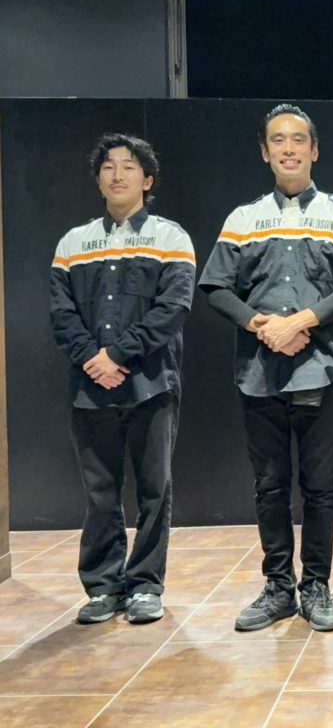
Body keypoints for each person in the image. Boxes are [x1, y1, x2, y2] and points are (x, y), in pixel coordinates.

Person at [199, 104, 333, 633]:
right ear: (265, 152)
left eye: (298, 139)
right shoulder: (243, 218)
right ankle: (278, 586)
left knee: (320, 486)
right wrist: (261, 325)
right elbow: (216, 286)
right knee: (270, 486)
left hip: (322, 369)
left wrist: (301, 320)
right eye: (277, 140)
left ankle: (316, 586)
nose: (288, 148)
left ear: (314, 149)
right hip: (258, 371)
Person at [51, 133, 195, 625]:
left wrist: (117, 355)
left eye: (129, 166)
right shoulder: (73, 243)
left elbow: (172, 309)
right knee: (100, 493)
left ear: (147, 179)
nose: (118, 174)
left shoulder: (170, 238)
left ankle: (145, 586)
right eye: (109, 166)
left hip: (152, 382)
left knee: (155, 491)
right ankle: (103, 586)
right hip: (89, 387)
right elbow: (61, 313)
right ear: (98, 180)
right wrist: (93, 359)